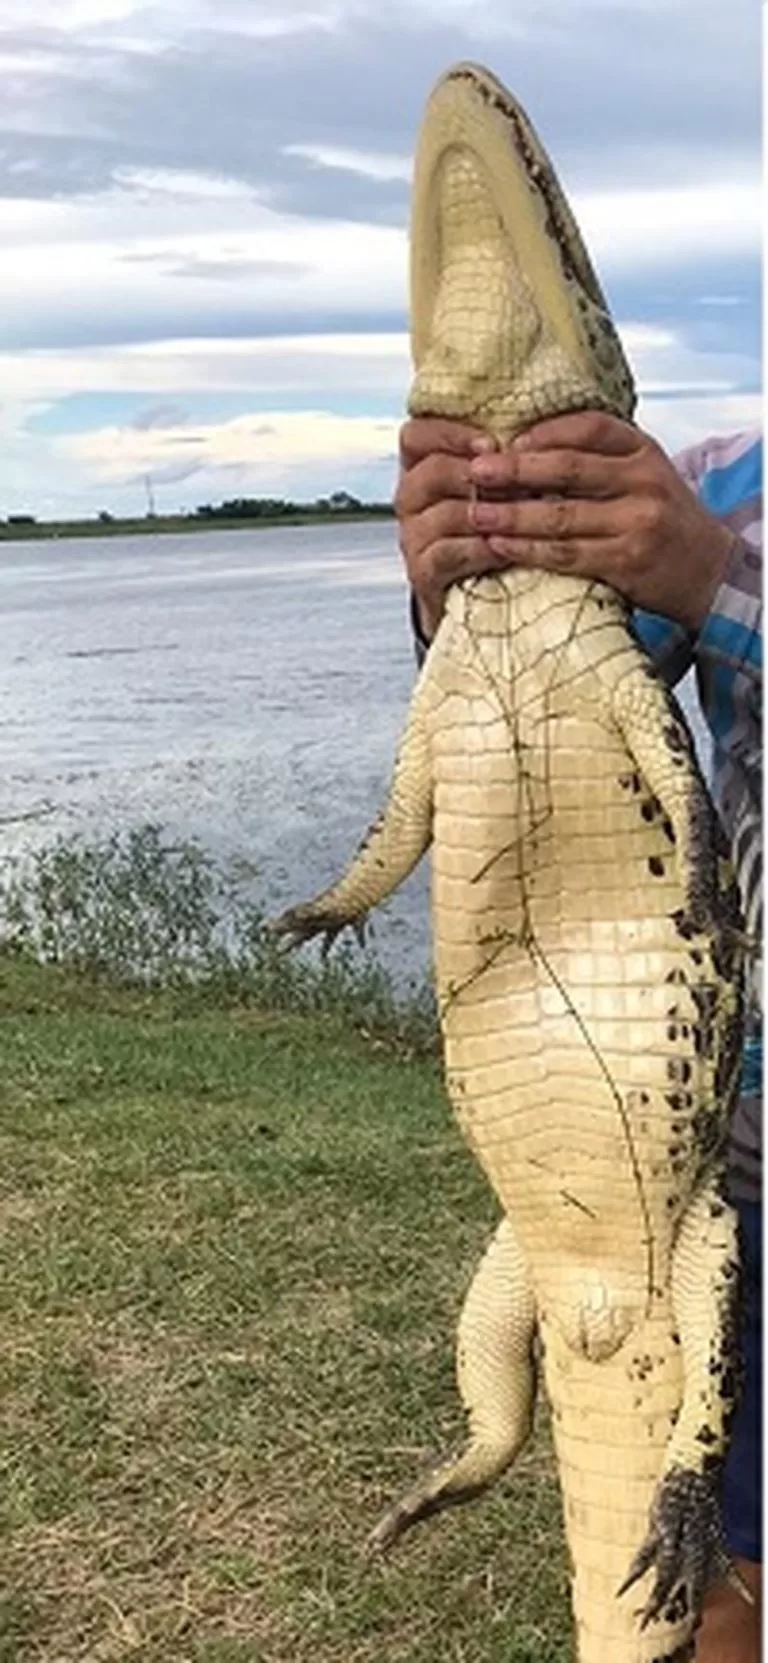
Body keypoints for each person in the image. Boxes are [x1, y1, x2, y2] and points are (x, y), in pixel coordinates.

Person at [395, 410, 762, 1663]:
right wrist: (459, 591)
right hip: (734, 1142)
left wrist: (727, 582)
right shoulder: (707, 478)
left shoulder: (710, 528)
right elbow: (537, 729)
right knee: (718, 1562)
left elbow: (716, 583)